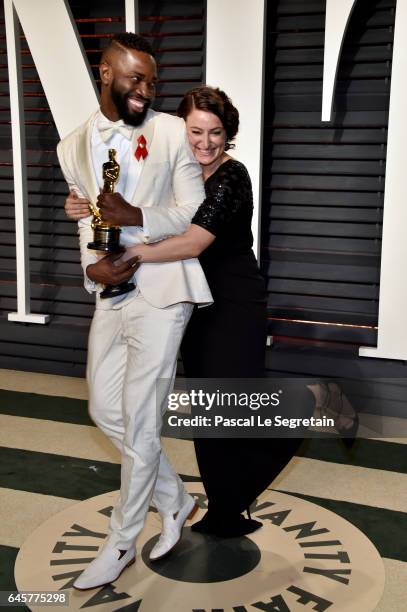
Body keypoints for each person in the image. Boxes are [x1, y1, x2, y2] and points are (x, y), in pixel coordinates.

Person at [65, 86, 308, 538]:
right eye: (195, 131)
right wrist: (80, 204)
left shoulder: (231, 176)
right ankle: (224, 509)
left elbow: (193, 242)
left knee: (229, 405)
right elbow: (113, 202)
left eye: (215, 132)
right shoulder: (169, 173)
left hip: (233, 302)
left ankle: (274, 447)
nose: (206, 141)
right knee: (205, 410)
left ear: (227, 134)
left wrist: (127, 259)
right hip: (189, 300)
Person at [57, 33, 213, 590]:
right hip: (112, 292)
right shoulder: (72, 144)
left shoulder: (172, 131)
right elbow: (85, 221)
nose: (146, 90)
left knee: (141, 418)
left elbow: (194, 212)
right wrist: (91, 268)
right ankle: (175, 498)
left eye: (151, 80)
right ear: (106, 73)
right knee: (106, 411)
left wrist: (137, 214)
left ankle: (122, 540)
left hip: (164, 290)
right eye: (135, 79)